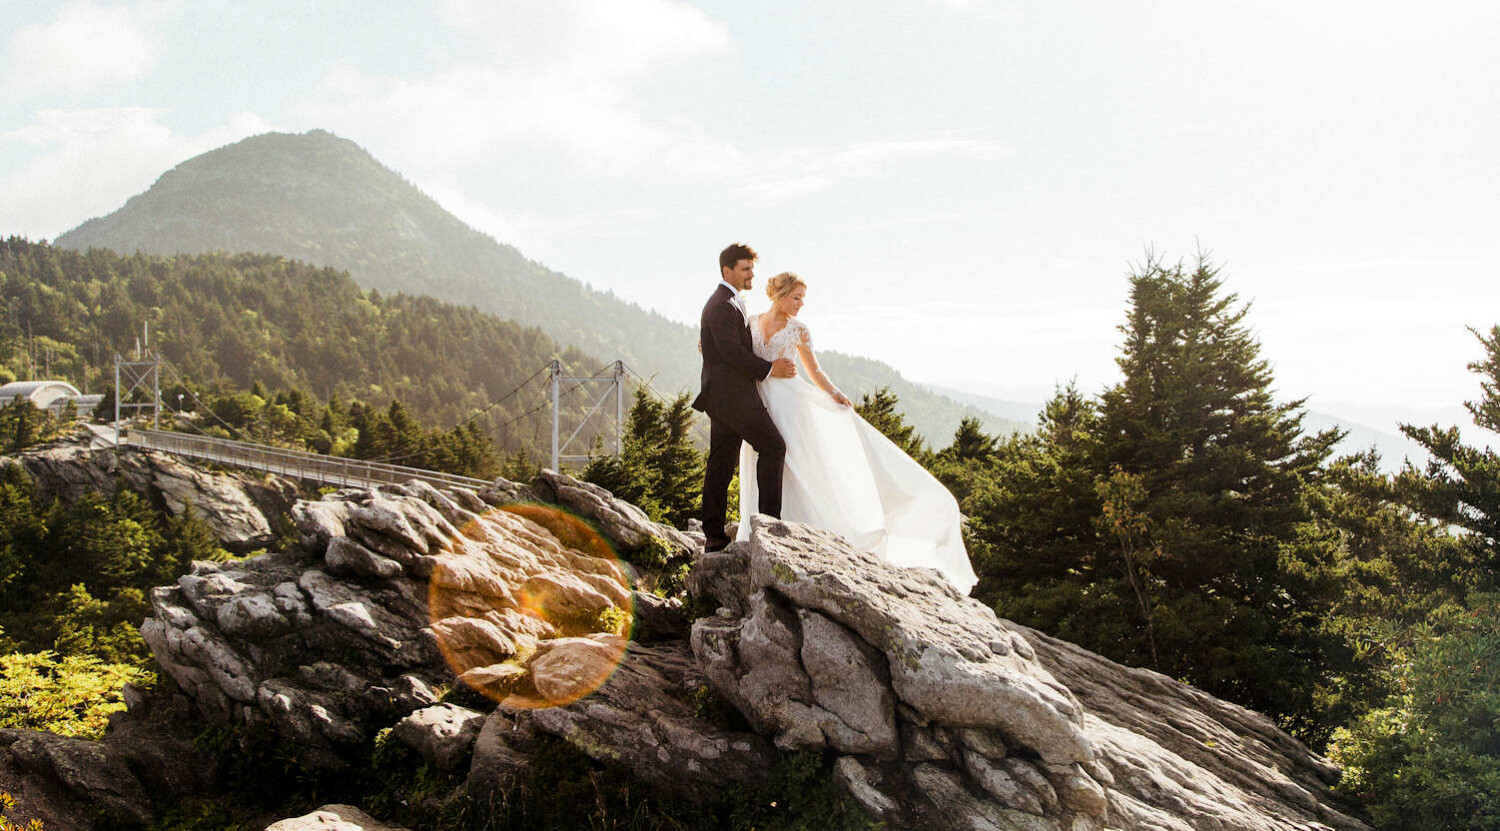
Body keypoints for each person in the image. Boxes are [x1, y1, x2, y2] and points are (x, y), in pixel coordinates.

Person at [736, 272, 978, 594]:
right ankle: (757, 530)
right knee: (759, 463)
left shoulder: (799, 330)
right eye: (797, 297)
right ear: (779, 295)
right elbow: (737, 355)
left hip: (793, 407)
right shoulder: (750, 322)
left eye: (803, 299)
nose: (801, 304)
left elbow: (815, 370)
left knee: (797, 467)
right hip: (759, 404)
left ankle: (796, 533)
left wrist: (835, 393)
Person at [691, 243, 798, 553]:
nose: (752, 274)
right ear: (728, 271)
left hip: (724, 396)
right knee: (773, 446)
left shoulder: (729, 301)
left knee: (721, 464)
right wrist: (770, 369)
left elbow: (724, 345)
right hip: (733, 396)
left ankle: (714, 535)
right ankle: (768, 525)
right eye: (746, 268)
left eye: (752, 268)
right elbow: (731, 352)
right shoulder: (723, 304)